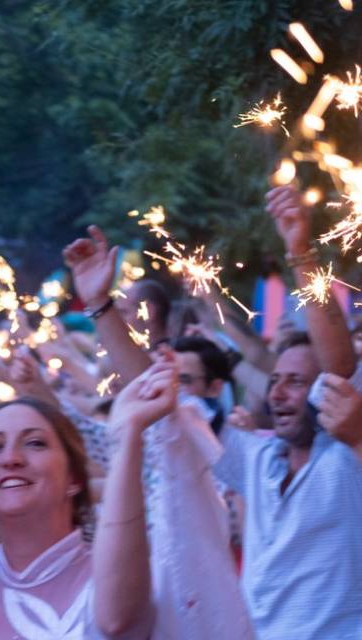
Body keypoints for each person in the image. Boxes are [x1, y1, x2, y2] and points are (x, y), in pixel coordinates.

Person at [210, 186, 362, 637]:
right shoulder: (256, 461)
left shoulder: (346, 458)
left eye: (295, 382)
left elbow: (338, 368)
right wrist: (103, 310)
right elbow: (164, 411)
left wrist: (300, 252)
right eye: (274, 382)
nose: (275, 394)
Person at [0, 360, 185, 638]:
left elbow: (118, 621)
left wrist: (127, 433)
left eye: (35, 442)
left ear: (75, 479)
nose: (10, 459)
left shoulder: (116, 575)